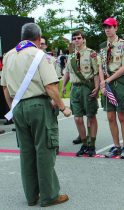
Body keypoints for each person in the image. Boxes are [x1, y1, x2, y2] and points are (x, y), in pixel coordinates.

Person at [1, 23, 70, 207]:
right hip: (38, 105)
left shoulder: (8, 55)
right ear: (38, 38)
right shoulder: (40, 55)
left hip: (18, 107)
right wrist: (64, 108)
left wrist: (13, 109)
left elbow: (6, 88)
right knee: (45, 150)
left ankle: (31, 196)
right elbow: (50, 86)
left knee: (26, 152)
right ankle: (49, 195)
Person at [99, 17, 124, 159]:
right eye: (105, 27)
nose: (107, 29)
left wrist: (108, 80)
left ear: (116, 28)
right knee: (110, 116)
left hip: (118, 82)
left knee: (121, 115)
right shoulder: (102, 46)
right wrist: (102, 83)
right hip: (106, 82)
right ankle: (116, 146)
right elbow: (100, 66)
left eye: (110, 27)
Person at [63, 30, 99, 157]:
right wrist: (63, 86)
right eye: (74, 38)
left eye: (79, 38)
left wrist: (97, 87)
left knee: (90, 116)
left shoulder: (91, 54)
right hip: (75, 88)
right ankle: (84, 143)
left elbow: (96, 72)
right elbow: (67, 73)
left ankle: (92, 144)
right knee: (77, 118)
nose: (77, 40)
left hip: (87, 87)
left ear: (83, 39)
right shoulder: (71, 56)